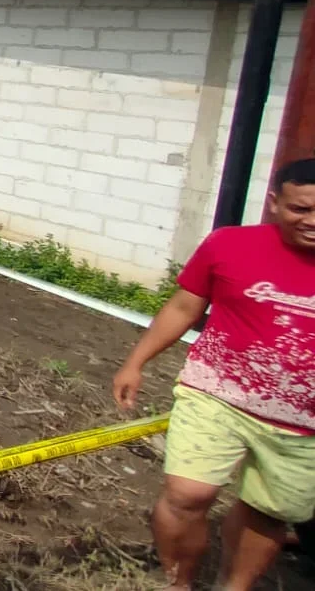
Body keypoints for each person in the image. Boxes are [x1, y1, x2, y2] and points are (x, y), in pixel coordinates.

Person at [113, 157, 315, 591]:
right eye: (301, 209)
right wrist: (136, 361)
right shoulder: (230, 245)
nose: (312, 221)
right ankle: (178, 582)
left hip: (303, 423)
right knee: (187, 496)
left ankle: (233, 586)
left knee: (268, 512)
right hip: (216, 393)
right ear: (275, 202)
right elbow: (185, 307)